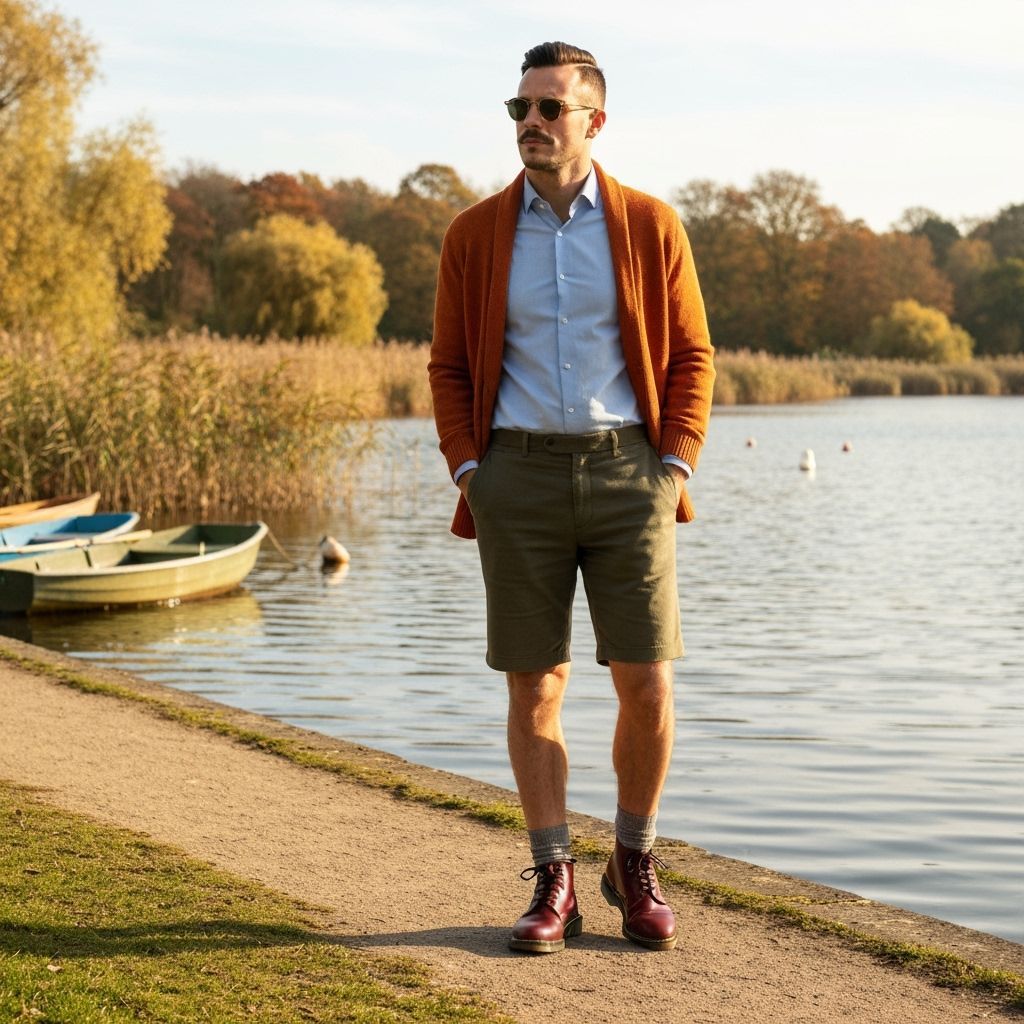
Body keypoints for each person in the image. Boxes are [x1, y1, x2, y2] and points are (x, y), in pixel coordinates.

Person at [428, 40, 714, 954]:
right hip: (518, 477)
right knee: (534, 683)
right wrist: (472, 470)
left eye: (551, 108)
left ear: (595, 118)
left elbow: (694, 355)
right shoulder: (473, 233)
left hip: (631, 473)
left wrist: (674, 465)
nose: (532, 125)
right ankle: (553, 878)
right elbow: (446, 366)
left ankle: (633, 864)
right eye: (520, 109)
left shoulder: (650, 224)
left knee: (648, 682)